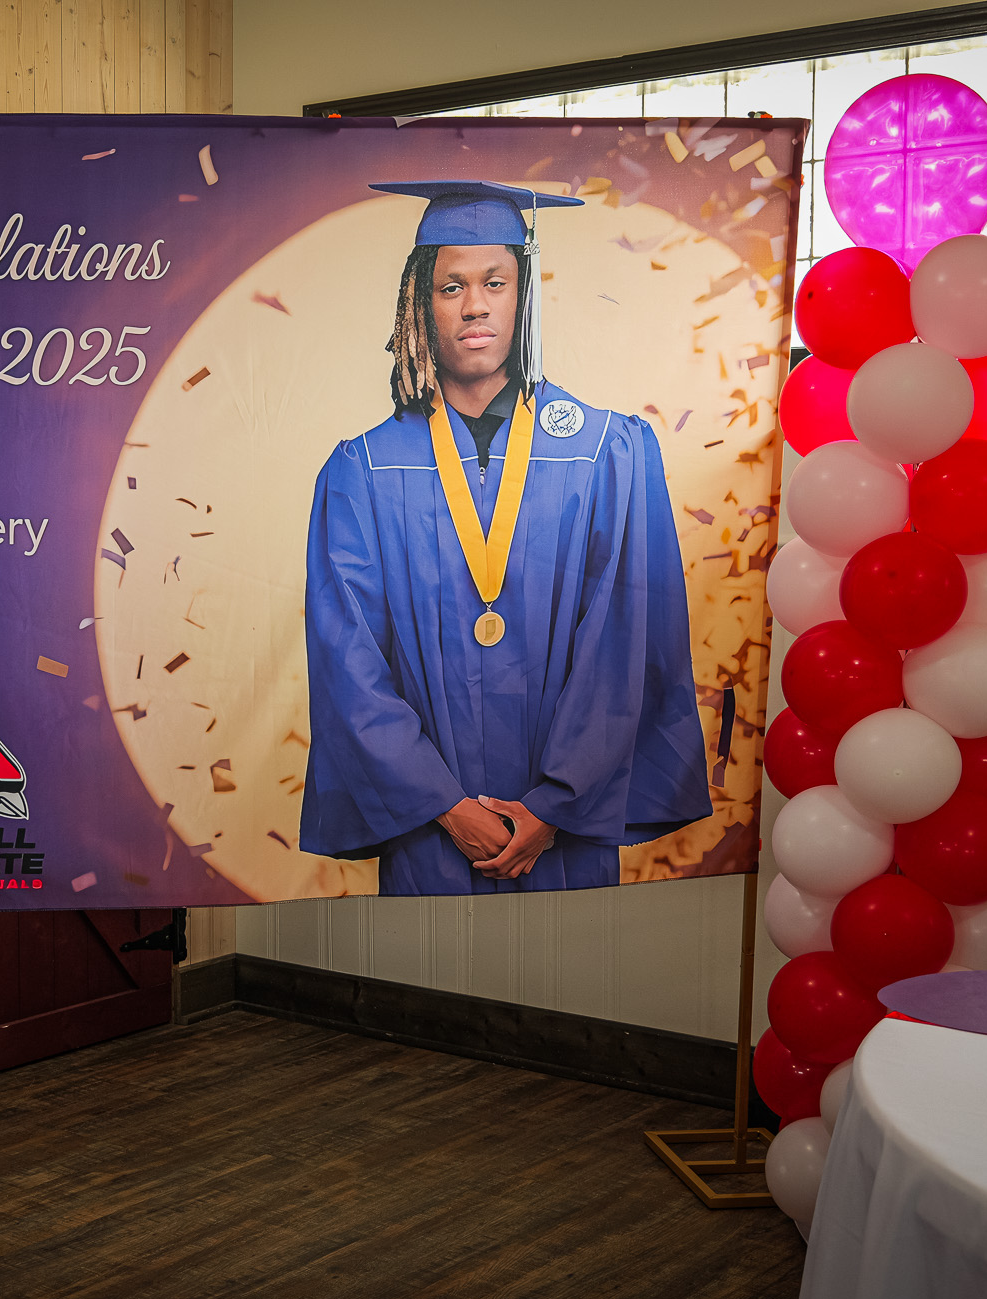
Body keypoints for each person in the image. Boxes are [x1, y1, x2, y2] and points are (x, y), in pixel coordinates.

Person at [300, 180, 711, 895]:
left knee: (568, 967)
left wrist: (553, 805)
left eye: (495, 282)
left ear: (525, 296)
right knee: (430, 968)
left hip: (566, 830)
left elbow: (627, 641)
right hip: (430, 829)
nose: (475, 305)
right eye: (450, 286)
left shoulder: (606, 452)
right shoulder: (363, 469)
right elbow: (348, 663)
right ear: (419, 304)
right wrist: (446, 805)